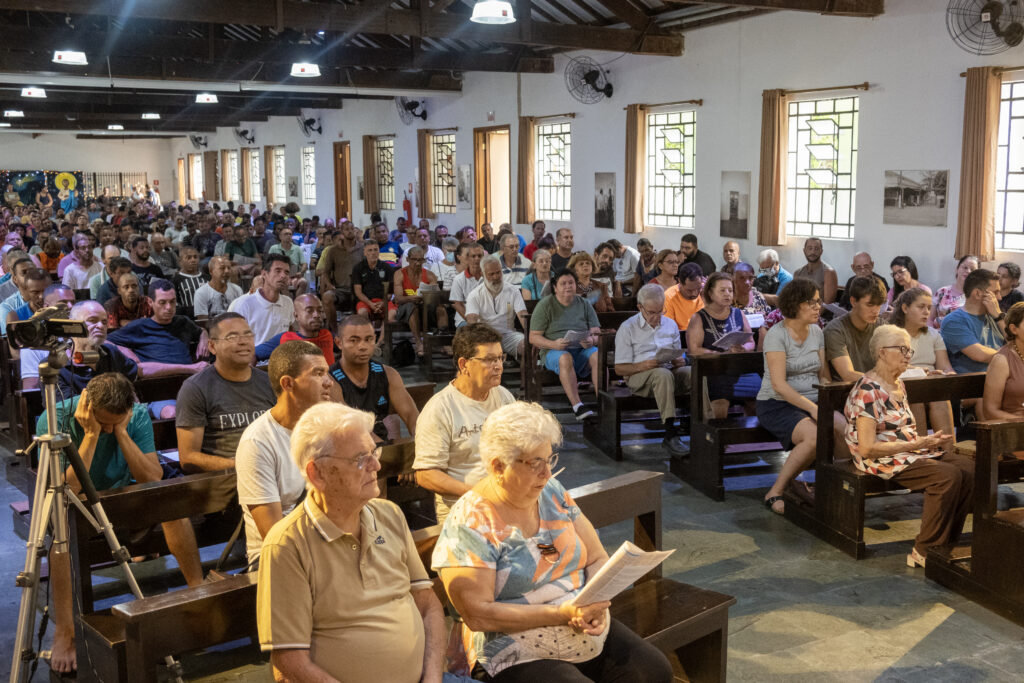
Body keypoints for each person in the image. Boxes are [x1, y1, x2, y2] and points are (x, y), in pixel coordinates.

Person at [432, 401, 673, 683]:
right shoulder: (471, 522)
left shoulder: (551, 491)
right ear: (498, 466)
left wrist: (597, 603)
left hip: (577, 623)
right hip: (513, 646)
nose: (547, 473)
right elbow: (478, 615)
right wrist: (560, 614)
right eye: (536, 463)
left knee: (654, 670)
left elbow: (596, 557)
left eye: (549, 460)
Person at [256, 402, 447, 683]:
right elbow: (289, 659)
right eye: (360, 458)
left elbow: (428, 605)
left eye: (374, 451)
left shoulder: (389, 515)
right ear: (317, 473)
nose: (376, 465)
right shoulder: (287, 544)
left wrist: (432, 678)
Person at [41, 373, 204, 674]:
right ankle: (65, 630)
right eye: (103, 422)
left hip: (122, 498)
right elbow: (68, 489)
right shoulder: (56, 419)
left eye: (115, 422)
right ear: (88, 407)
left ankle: (199, 593)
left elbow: (151, 477)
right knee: (60, 539)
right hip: (77, 506)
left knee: (171, 505)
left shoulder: (136, 415)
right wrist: (91, 435)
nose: (107, 428)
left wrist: (121, 432)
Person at [844, 324, 974, 568]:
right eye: (902, 349)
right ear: (882, 352)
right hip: (881, 458)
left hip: (909, 451)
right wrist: (918, 443)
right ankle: (924, 550)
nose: (907, 355)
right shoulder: (867, 390)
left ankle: (946, 542)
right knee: (946, 476)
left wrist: (922, 444)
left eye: (909, 350)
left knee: (968, 468)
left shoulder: (897, 383)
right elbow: (867, 448)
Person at [236, 341, 332, 566]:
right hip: (277, 557)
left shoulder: (328, 428)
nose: (329, 382)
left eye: (327, 373)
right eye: (318, 374)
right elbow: (274, 535)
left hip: (327, 540)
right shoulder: (257, 442)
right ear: (288, 383)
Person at [413, 324, 516, 522]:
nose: (498, 366)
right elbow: (426, 474)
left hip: (507, 501)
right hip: (465, 510)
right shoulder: (440, 409)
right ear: (463, 364)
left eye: (500, 358)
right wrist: (477, 494)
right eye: (489, 359)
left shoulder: (503, 396)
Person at [756, 278, 830, 515]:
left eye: (819, 302)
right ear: (796, 304)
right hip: (777, 403)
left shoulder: (817, 331)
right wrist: (812, 408)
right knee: (813, 437)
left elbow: (823, 376)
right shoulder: (776, 335)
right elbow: (779, 385)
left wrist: (829, 402)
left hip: (813, 400)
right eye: (812, 302)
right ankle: (776, 490)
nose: (819, 307)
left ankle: (833, 489)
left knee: (846, 429)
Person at [175, 313, 276, 472]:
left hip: (273, 473)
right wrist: (245, 465)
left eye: (248, 335)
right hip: (226, 478)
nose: (243, 341)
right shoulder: (195, 388)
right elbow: (188, 458)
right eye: (232, 337)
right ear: (212, 346)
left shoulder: (270, 382)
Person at [615, 284, 689, 455]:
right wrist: (643, 365)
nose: (657, 317)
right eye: (651, 312)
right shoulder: (628, 328)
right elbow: (619, 369)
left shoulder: (670, 325)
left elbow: (678, 355)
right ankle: (670, 433)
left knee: (693, 373)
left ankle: (704, 424)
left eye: (660, 311)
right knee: (662, 374)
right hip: (638, 376)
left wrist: (679, 361)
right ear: (640, 307)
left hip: (668, 371)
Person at [328, 314, 420, 442]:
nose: (363, 346)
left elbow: (411, 416)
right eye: (354, 340)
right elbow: (354, 428)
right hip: (347, 446)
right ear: (339, 343)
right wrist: (383, 449)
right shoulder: (329, 380)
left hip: (382, 444)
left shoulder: (389, 374)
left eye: (368, 339)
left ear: (375, 339)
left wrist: (422, 439)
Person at [529, 269, 602, 421]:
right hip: (554, 350)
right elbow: (533, 337)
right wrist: (553, 344)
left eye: (571, 283)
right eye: (563, 284)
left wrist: (592, 340)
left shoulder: (584, 304)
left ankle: (602, 402)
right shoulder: (545, 305)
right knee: (565, 357)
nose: (568, 286)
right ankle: (577, 406)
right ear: (555, 287)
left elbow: (596, 332)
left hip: (581, 348)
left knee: (597, 355)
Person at [890, 287, 956, 436]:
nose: (926, 312)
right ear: (905, 308)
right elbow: (893, 367)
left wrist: (949, 375)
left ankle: (949, 447)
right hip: (903, 386)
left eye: (928, 308)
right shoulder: (891, 333)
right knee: (916, 398)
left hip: (931, 385)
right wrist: (922, 373)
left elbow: (945, 366)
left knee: (940, 398)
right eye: (921, 307)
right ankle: (921, 446)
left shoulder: (933, 335)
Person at [108, 279, 209, 370]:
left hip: (188, 379)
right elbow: (106, 341)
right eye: (162, 302)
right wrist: (128, 353)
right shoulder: (139, 326)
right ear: (151, 302)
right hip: (156, 381)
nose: (169, 307)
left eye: (172, 301)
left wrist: (204, 338)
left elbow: (201, 331)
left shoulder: (183, 322)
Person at [940, 268, 1006, 374]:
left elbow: (1018, 342)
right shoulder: (953, 321)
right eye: (995, 292)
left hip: (1004, 376)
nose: (999, 297)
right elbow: (981, 355)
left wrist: (999, 317)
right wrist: (1013, 355)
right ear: (977, 293)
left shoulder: (997, 316)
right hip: (974, 381)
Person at [466, 255, 527, 360]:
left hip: (508, 335)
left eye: (498, 272)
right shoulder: (474, 295)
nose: (496, 277)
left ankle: (526, 371)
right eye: (491, 274)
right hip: (485, 336)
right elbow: (472, 320)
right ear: (483, 274)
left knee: (526, 345)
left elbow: (523, 315)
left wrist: (531, 336)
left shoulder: (513, 291)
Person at [825, 276, 886, 381]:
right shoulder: (835, 330)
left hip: (879, 387)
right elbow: (847, 374)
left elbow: (897, 364)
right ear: (853, 301)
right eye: (870, 304)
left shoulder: (882, 326)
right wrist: (883, 381)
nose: (875, 311)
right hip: (847, 389)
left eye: (879, 305)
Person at [228, 254, 296, 346]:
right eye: (278, 271)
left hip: (281, 354)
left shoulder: (288, 303)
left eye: (286, 272)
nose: (283, 276)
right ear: (264, 274)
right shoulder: (244, 304)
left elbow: (290, 332)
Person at [393, 245, 446, 356]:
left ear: (424, 260)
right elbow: (398, 298)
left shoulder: (430, 275)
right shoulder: (399, 274)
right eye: (414, 260)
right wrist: (412, 298)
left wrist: (428, 297)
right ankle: (418, 343)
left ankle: (441, 341)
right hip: (405, 308)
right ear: (407, 259)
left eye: (420, 260)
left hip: (425, 307)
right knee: (412, 307)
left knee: (440, 308)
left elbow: (436, 295)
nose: (417, 263)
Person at [255, 293, 337, 363]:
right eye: (309, 311)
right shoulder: (285, 338)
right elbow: (253, 354)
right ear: (296, 316)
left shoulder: (327, 335)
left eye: (320, 311)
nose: (317, 315)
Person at [351, 240, 397, 338]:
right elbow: (358, 292)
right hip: (366, 301)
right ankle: (370, 337)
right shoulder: (358, 268)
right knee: (362, 312)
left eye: (375, 250)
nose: (373, 253)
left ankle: (381, 341)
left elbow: (390, 292)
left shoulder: (387, 268)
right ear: (364, 252)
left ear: (379, 251)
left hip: (383, 301)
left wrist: (383, 302)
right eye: (370, 250)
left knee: (392, 313)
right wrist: (370, 304)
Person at [929, 255, 979, 329]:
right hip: (938, 334)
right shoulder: (942, 292)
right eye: (965, 267)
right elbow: (930, 320)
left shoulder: (977, 296)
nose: (968, 271)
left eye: (972, 269)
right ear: (957, 269)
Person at [449, 242, 485, 328]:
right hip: (465, 320)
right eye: (473, 256)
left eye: (479, 256)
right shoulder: (458, 279)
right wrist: (472, 322)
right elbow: (458, 304)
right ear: (468, 258)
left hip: (487, 319)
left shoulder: (489, 276)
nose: (477, 259)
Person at [792, 238, 838, 304]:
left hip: (819, 310)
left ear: (821, 251)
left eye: (816, 249)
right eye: (810, 248)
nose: (813, 252)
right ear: (804, 251)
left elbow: (828, 304)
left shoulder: (829, 272)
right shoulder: (797, 273)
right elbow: (794, 299)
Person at [268, 226, 309, 295]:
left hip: (294, 276)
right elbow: (268, 263)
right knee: (283, 283)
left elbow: (304, 264)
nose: (288, 236)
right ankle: (288, 301)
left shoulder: (297, 248)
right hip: (279, 275)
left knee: (303, 282)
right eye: (286, 234)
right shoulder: (274, 248)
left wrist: (301, 272)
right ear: (280, 237)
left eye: (290, 234)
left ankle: (297, 300)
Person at [664, 262, 705, 331]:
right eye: (689, 290)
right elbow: (668, 329)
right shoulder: (669, 297)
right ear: (680, 282)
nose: (694, 294)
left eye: (698, 288)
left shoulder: (705, 293)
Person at [171, 245, 208, 319]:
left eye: (195, 257)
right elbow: (175, 302)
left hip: (208, 316)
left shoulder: (207, 278)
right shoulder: (176, 280)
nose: (193, 260)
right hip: (187, 319)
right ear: (180, 262)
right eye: (188, 257)